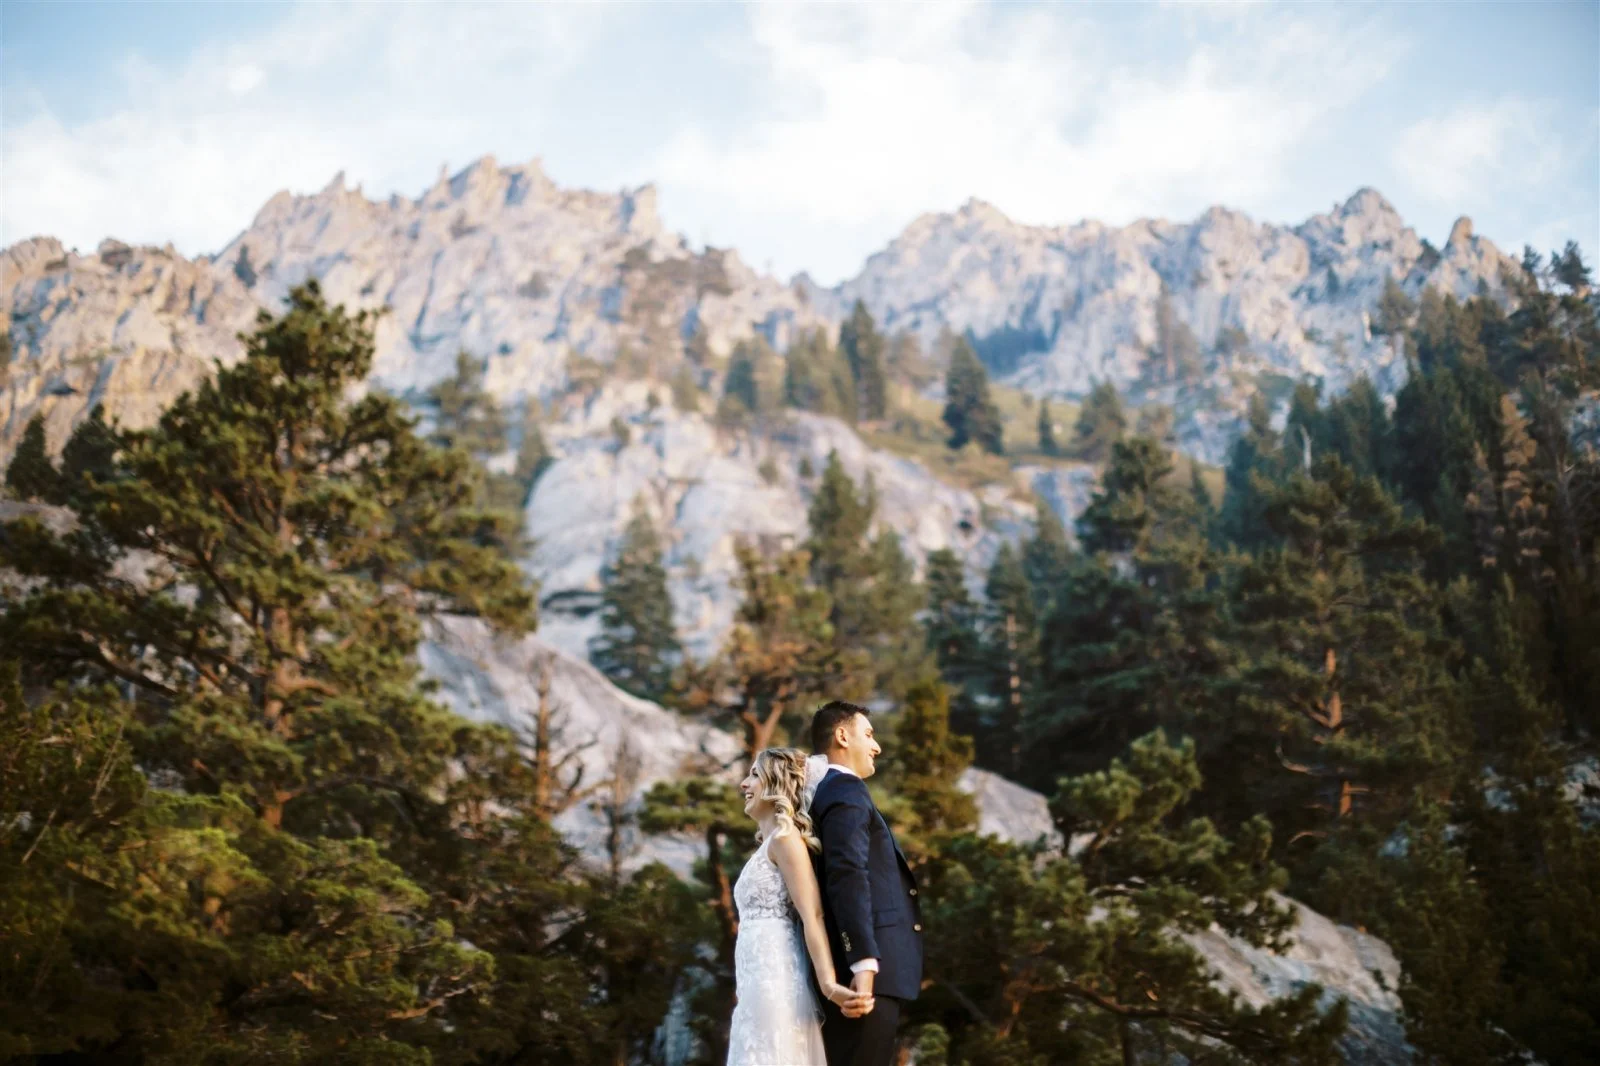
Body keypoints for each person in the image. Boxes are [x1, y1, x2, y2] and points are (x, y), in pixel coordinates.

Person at [727, 747, 874, 1066]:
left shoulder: (785, 839)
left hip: (777, 978)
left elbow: (813, 914)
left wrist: (829, 984)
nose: (744, 784)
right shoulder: (765, 846)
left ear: (776, 783)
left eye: (754, 775)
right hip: (753, 984)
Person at [808, 701, 924, 1066]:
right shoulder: (846, 789)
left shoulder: (822, 792)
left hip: (849, 970)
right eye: (869, 735)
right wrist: (863, 961)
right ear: (842, 736)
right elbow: (847, 873)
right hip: (863, 976)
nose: (877, 747)